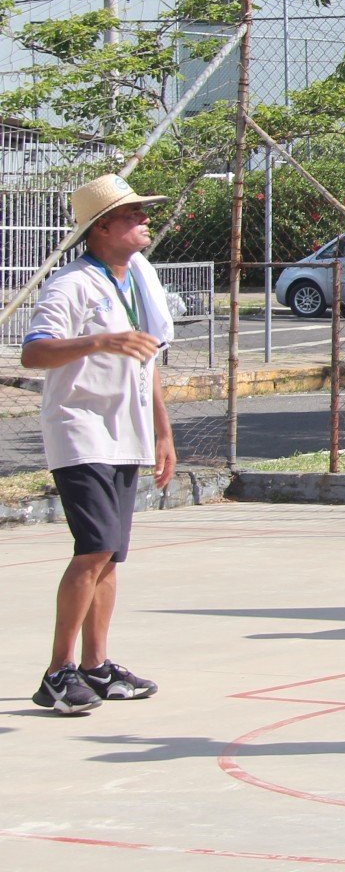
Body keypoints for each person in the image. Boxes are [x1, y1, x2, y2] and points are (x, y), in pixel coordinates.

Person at [20, 175, 178, 713]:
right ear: (102, 227)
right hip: (81, 429)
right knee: (92, 548)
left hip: (126, 434)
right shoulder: (71, 285)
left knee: (110, 555)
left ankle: (96, 665)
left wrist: (162, 431)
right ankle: (58, 672)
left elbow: (148, 358)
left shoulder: (139, 279)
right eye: (134, 214)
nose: (145, 221)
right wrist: (100, 340)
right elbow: (34, 353)